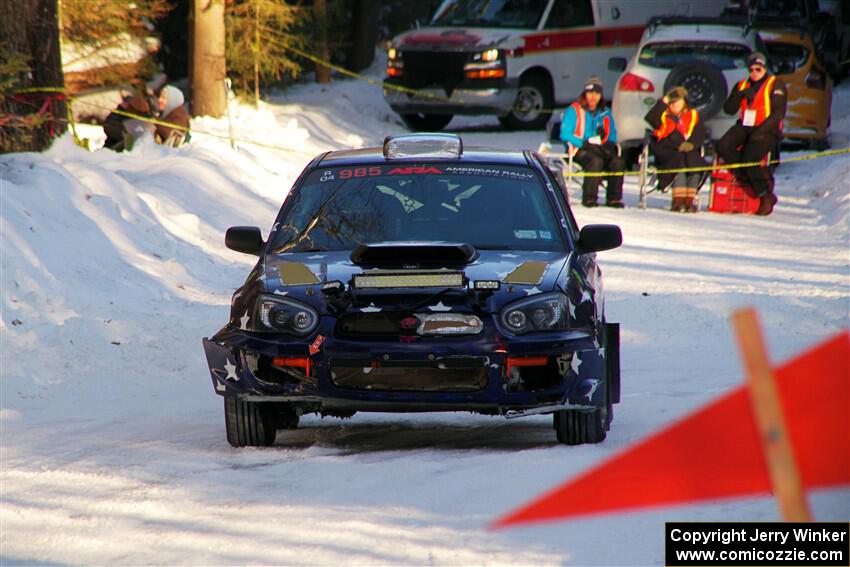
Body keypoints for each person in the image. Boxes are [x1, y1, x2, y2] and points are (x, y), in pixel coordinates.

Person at [716, 52, 787, 216]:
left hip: (767, 129)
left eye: (758, 69)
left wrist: (761, 132)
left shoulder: (775, 84)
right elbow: (729, 109)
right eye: (752, 69)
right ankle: (752, 176)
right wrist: (740, 95)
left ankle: (765, 196)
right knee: (723, 146)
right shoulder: (742, 85)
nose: (754, 73)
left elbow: (778, 114)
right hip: (745, 125)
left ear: (764, 69)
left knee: (749, 159)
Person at [560, 76, 625, 208]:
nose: (593, 97)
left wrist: (608, 144)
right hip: (579, 149)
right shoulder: (574, 110)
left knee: (617, 162)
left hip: (600, 149)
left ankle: (614, 198)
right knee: (595, 161)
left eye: (597, 93)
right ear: (585, 93)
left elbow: (612, 133)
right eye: (590, 93)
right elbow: (565, 133)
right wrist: (583, 143)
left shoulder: (605, 113)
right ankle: (589, 198)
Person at [644, 86, 707, 212]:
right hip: (667, 149)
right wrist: (665, 101)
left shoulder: (693, 115)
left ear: (684, 101)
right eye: (672, 102)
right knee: (679, 161)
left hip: (686, 149)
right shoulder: (663, 114)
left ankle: (689, 200)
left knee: (695, 162)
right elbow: (650, 118)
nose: (674, 105)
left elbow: (699, 134)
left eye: (677, 101)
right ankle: (678, 201)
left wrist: (691, 143)